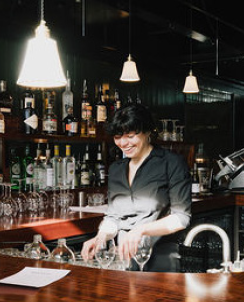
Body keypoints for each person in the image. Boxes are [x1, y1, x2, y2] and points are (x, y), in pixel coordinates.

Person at [81, 104, 192, 271]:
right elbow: (113, 217)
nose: (123, 143)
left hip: (161, 258)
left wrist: (141, 230)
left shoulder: (171, 163)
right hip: (124, 257)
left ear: (148, 132)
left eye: (131, 136)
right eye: (118, 137)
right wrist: (101, 237)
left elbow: (181, 218)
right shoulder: (116, 169)